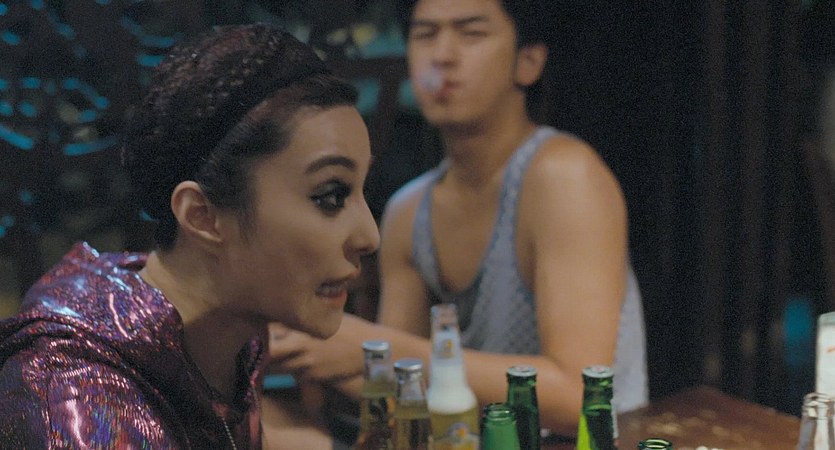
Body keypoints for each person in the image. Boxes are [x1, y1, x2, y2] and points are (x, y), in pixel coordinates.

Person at [267, 0, 648, 439]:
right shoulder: (410, 209)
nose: (442, 55)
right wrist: (312, 346)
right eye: (425, 34)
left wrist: (376, 350)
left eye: (471, 33)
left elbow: (579, 396)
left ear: (527, 62)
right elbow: (399, 395)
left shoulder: (564, 176)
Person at [0, 23, 379, 448]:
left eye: (362, 191)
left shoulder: (230, 336)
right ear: (203, 217)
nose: (369, 236)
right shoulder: (82, 401)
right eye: (330, 196)